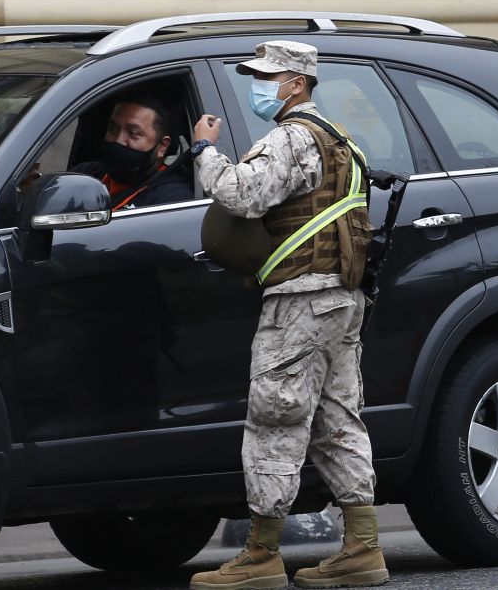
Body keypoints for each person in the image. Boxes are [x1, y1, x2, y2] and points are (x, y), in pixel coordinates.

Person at [188, 40, 388, 589]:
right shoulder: (340, 140)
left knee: (275, 416)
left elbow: (241, 195)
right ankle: (362, 547)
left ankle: (261, 554)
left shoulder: (292, 137)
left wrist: (204, 150)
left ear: (296, 83)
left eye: (266, 77)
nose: (257, 84)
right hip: (342, 299)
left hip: (300, 302)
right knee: (338, 418)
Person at [71, 94, 193, 209]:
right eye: (113, 129)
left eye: (133, 133)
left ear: (162, 146)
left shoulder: (171, 200)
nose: (118, 140)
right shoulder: (85, 174)